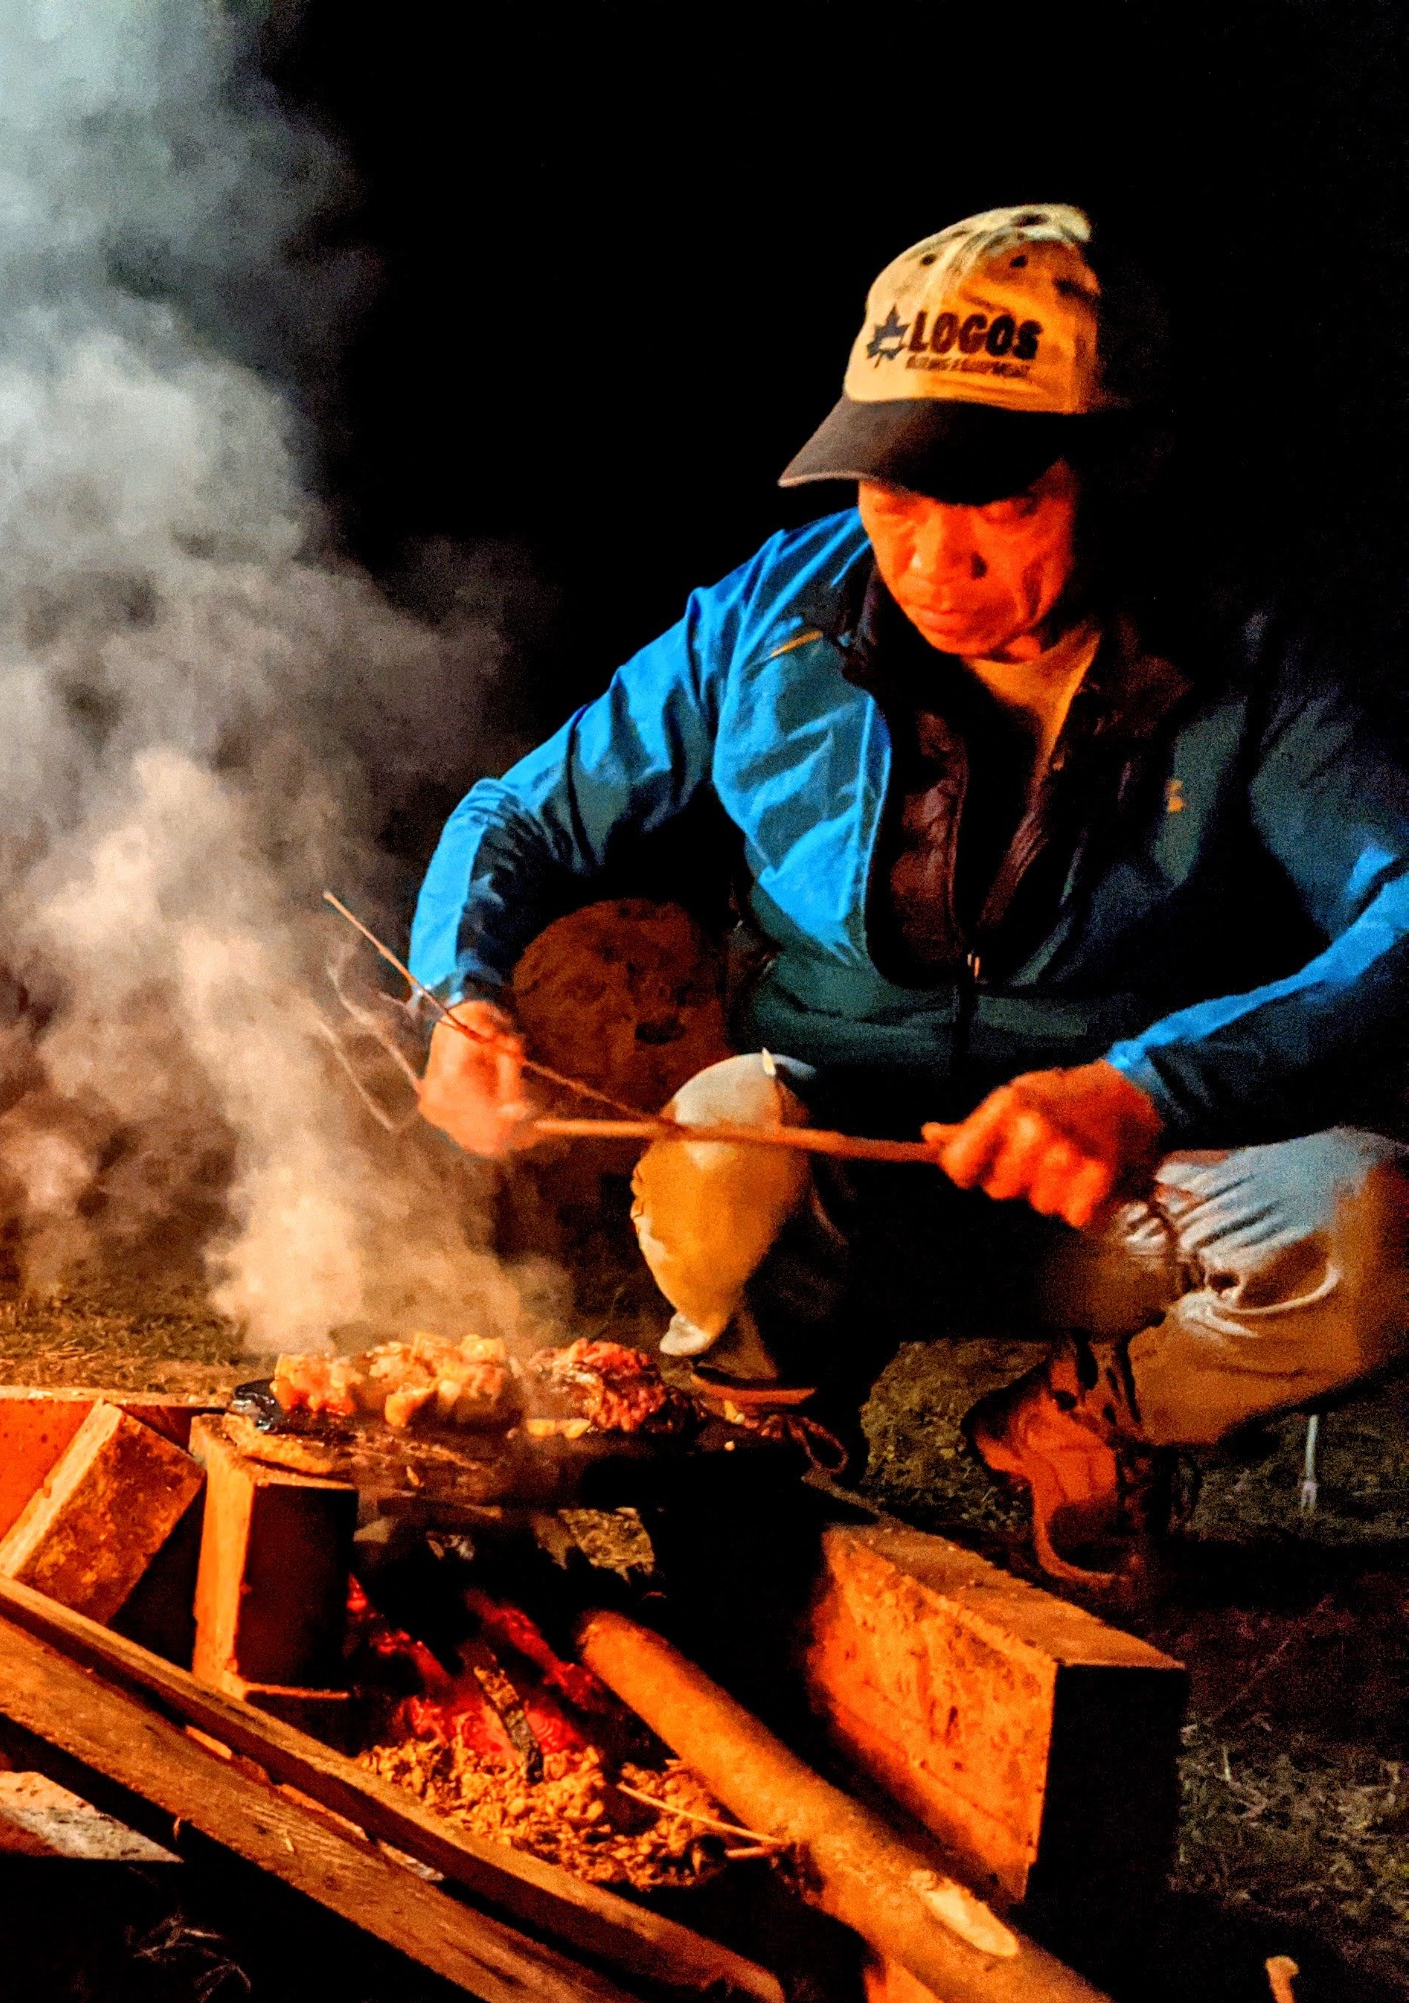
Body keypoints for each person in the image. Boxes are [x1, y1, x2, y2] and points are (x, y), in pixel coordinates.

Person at [407, 204, 1409, 1602]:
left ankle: (1090, 1417)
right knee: (718, 1137)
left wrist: (1146, 1086)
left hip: (1112, 1185)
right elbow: (517, 813)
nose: (935, 560)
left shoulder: (1250, 655)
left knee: (1374, 1226)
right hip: (830, 1176)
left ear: (1117, 476)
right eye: (894, 493)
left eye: (998, 502)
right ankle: (771, 1409)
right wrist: (464, 990)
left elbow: (1399, 909)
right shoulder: (778, 615)